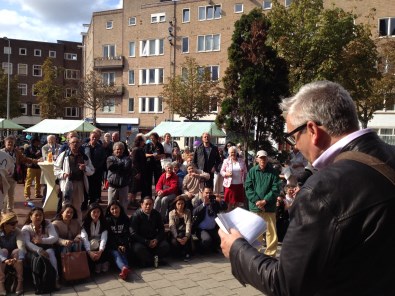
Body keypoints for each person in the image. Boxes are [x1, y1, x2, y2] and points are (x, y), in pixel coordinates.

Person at [219, 80, 395, 296]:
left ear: (312, 130)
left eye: (293, 136)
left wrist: (237, 249)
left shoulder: (322, 188)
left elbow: (286, 284)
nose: (294, 146)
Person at [244, 150, 282, 257]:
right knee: (256, 232)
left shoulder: (273, 172)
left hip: (269, 206)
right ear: (256, 159)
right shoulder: (252, 171)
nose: (262, 160)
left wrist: (265, 201)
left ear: (267, 159)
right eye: (260, 158)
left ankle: (271, 254)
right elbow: (248, 187)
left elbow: (276, 188)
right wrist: (257, 201)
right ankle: (256, 253)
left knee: (271, 232)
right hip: (255, 207)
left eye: (264, 158)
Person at [54, 137, 95, 222]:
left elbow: (92, 171)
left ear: (80, 144)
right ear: (69, 144)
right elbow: (56, 169)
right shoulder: (64, 155)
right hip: (67, 183)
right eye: (73, 142)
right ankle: (64, 224)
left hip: (79, 184)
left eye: (77, 142)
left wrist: (85, 168)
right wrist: (63, 174)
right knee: (66, 205)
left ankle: (78, 225)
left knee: (77, 206)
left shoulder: (84, 156)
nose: (75, 144)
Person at [21, 207, 60, 289]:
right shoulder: (26, 228)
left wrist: (41, 241)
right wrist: (39, 250)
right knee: (38, 258)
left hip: (47, 248)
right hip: (32, 251)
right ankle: (38, 283)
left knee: (51, 254)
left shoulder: (48, 224)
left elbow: (54, 237)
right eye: (36, 215)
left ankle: (55, 280)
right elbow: (27, 243)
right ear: (31, 217)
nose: (39, 217)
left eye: (41, 215)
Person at [130, 196, 170, 267]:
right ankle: (155, 260)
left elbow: (161, 229)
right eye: (146, 204)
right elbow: (133, 233)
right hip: (142, 241)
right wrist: (146, 241)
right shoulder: (136, 216)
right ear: (141, 205)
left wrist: (156, 239)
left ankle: (149, 261)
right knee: (138, 249)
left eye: (150, 204)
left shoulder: (156, 214)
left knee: (165, 245)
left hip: (154, 240)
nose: (148, 206)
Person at [192, 186, 227, 253]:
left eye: (210, 193)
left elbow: (224, 207)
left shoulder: (214, 202)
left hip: (213, 228)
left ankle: (213, 248)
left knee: (222, 238)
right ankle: (200, 249)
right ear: (202, 193)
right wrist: (204, 204)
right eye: (206, 193)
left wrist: (220, 201)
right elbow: (194, 212)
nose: (208, 194)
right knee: (207, 240)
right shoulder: (199, 202)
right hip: (202, 229)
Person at [105, 201, 131, 280]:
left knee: (123, 253)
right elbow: (109, 237)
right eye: (112, 209)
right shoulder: (107, 220)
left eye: (116, 208)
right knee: (116, 253)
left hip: (123, 243)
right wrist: (117, 246)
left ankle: (124, 271)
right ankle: (124, 268)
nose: (114, 210)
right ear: (109, 210)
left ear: (120, 208)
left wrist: (123, 244)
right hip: (112, 245)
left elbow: (127, 234)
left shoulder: (125, 219)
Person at [0, 213, 25, 295]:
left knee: (17, 251)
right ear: (5, 224)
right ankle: (1, 283)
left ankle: (20, 283)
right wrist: (5, 259)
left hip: (13, 256)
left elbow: (21, 246)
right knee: (3, 251)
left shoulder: (17, 232)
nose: (15, 225)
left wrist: (17, 259)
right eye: (12, 223)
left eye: (16, 222)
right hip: (3, 256)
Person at [81, 203, 109, 274]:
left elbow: (104, 238)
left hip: (99, 244)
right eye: (94, 212)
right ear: (89, 212)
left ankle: (102, 262)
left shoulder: (103, 222)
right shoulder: (85, 223)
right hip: (89, 244)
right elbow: (85, 238)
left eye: (98, 212)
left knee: (103, 244)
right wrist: (89, 252)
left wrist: (100, 251)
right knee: (90, 244)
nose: (96, 214)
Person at [106, 142, 132, 211]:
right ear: (114, 150)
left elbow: (127, 168)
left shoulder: (127, 159)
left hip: (123, 185)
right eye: (117, 149)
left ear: (123, 150)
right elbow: (110, 167)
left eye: (121, 149)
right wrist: (121, 165)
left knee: (123, 206)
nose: (119, 151)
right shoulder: (110, 158)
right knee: (110, 205)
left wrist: (117, 166)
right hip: (112, 185)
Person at [220, 146, 247, 211]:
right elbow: (221, 171)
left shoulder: (241, 161)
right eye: (231, 152)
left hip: (239, 185)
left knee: (237, 204)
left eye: (234, 152)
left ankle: (236, 218)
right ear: (229, 153)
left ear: (236, 152)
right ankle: (228, 218)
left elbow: (246, 172)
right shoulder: (226, 161)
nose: (233, 153)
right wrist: (226, 174)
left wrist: (245, 181)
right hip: (229, 186)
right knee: (229, 204)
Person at [83, 131, 107, 204]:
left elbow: (103, 159)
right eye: (93, 137)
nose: (94, 138)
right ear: (90, 137)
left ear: (98, 138)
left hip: (97, 170)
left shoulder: (101, 148)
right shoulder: (84, 147)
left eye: (96, 137)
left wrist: (96, 167)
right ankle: (85, 202)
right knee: (86, 186)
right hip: (86, 170)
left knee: (95, 187)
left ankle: (93, 202)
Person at [168, 196, 192, 262]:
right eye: (178, 204)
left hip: (185, 232)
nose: (180, 205)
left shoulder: (188, 212)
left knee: (184, 237)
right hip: (175, 233)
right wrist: (177, 237)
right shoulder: (171, 213)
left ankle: (186, 254)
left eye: (182, 203)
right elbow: (172, 226)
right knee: (175, 242)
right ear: (175, 204)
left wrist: (187, 236)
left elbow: (188, 224)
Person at [144, 133, 164, 197]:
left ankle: (157, 196)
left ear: (157, 138)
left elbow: (163, 154)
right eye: (151, 138)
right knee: (148, 181)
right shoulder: (148, 145)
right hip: (149, 164)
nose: (152, 139)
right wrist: (152, 155)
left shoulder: (160, 145)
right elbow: (145, 154)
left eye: (153, 138)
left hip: (157, 164)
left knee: (158, 181)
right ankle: (148, 196)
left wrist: (159, 156)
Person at [129, 135, 146, 209]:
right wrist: (138, 172)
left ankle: (133, 201)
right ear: (140, 141)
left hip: (139, 171)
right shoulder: (136, 149)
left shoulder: (140, 149)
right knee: (134, 188)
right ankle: (130, 202)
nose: (143, 143)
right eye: (142, 141)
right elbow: (134, 162)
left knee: (136, 188)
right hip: (136, 172)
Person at [0, 146, 18, 213]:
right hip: (3, 179)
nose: (10, 144)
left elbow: (12, 167)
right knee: (3, 196)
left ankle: (10, 210)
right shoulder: (3, 153)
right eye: (9, 142)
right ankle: (3, 211)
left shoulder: (14, 153)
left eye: (12, 142)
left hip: (9, 178)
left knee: (10, 194)